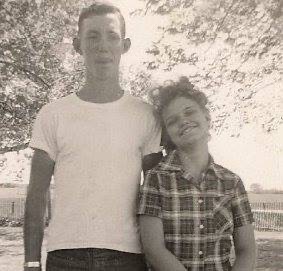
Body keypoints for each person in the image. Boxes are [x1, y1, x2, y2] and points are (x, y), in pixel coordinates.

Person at [24, 1, 161, 270]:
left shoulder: (146, 115)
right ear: (78, 45)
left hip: (128, 256)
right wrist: (31, 261)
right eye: (92, 36)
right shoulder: (53, 114)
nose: (102, 45)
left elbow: (157, 194)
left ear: (125, 45)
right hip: (64, 257)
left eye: (112, 36)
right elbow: (37, 195)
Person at [137, 76, 256, 271]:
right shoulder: (155, 179)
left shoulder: (232, 182)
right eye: (173, 121)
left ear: (207, 118)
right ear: (167, 134)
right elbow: (153, 249)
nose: (183, 121)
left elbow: (247, 250)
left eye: (189, 112)